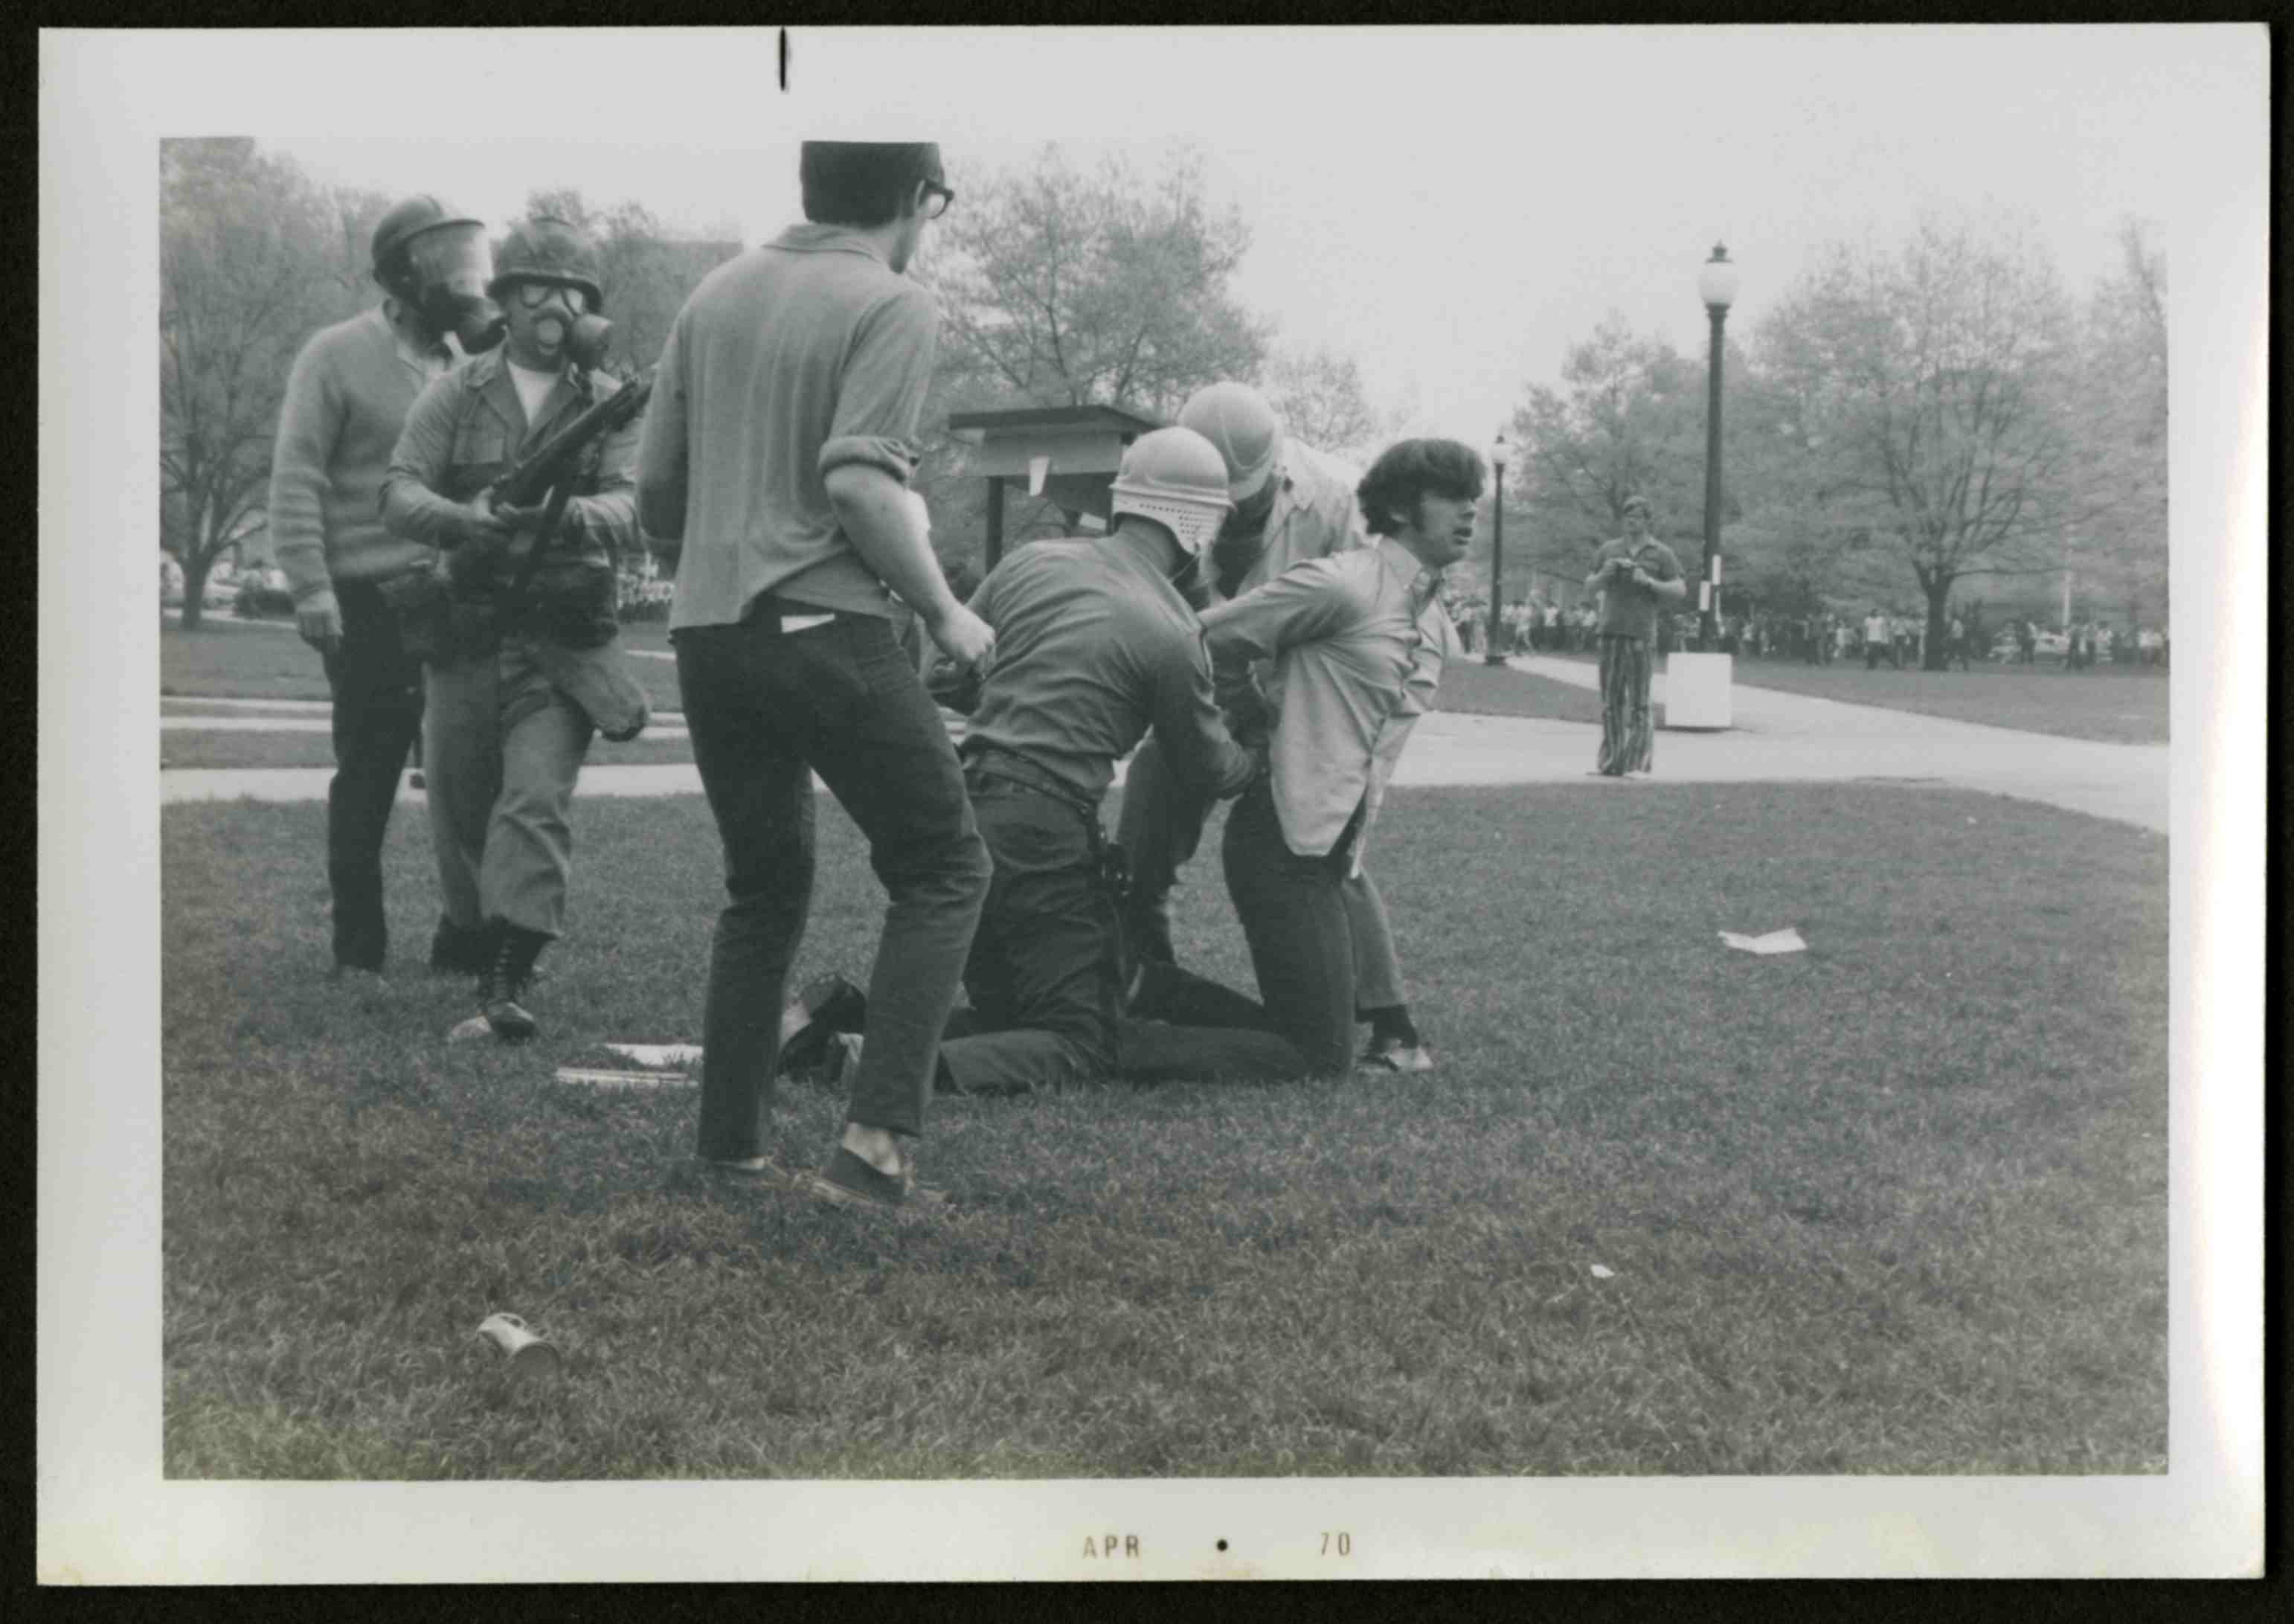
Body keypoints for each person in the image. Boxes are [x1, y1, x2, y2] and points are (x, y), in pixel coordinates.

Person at [634, 141, 994, 1210]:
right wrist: (946, 612)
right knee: (944, 866)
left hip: (706, 630)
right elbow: (857, 481)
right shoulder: (892, 302)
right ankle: (872, 1154)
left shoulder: (715, 291)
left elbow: (657, 490)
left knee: (765, 884)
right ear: (917, 197)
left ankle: (731, 1149)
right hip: (822, 621)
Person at [922, 427, 1311, 1095]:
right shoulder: (1172, 629)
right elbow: (1205, 770)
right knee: (1085, 1042)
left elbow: (941, 674)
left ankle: (847, 1025)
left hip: (959, 808)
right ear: (1199, 528)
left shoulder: (1031, 560)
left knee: (1011, 1016)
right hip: (1045, 828)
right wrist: (1259, 758)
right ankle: (896, 1063)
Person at [379, 215, 651, 1043]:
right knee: (461, 806)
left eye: (571, 292)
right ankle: (471, 928)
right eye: (535, 288)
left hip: (564, 635)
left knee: (536, 799)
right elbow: (396, 492)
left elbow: (635, 502)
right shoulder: (456, 392)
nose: (554, 306)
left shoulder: (609, 402)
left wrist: (566, 520)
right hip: (468, 624)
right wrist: (467, 519)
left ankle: (510, 967)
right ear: (504, 298)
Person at [1136, 438, 1484, 1076]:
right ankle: (1105, 1041)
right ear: (1403, 508)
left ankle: (1149, 992)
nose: (1470, 513)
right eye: (1453, 498)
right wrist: (1248, 722)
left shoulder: (1433, 620)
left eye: (1474, 499)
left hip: (1327, 853)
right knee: (1317, 1058)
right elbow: (1195, 642)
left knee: (1316, 1044)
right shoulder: (1343, 584)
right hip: (1276, 843)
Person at [270, 195, 506, 982]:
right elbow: (297, 475)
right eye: (441, 262)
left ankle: (462, 934)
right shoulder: (334, 355)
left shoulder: (470, 369)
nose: (461, 279)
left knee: (462, 772)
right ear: (402, 274)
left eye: (466, 258)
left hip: (450, 591)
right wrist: (311, 588)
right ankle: (358, 951)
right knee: (368, 771)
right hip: (365, 597)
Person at [1584, 496, 1686, 776]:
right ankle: (1612, 760)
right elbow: (1589, 587)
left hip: (1641, 633)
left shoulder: (1661, 553)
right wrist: (1604, 575)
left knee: (1640, 701)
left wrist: (1649, 581)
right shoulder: (1609, 549)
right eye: (1627, 516)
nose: (1632, 521)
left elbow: (1679, 590)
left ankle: (1638, 762)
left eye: (1638, 516)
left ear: (1647, 520)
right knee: (1611, 701)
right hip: (1610, 631)